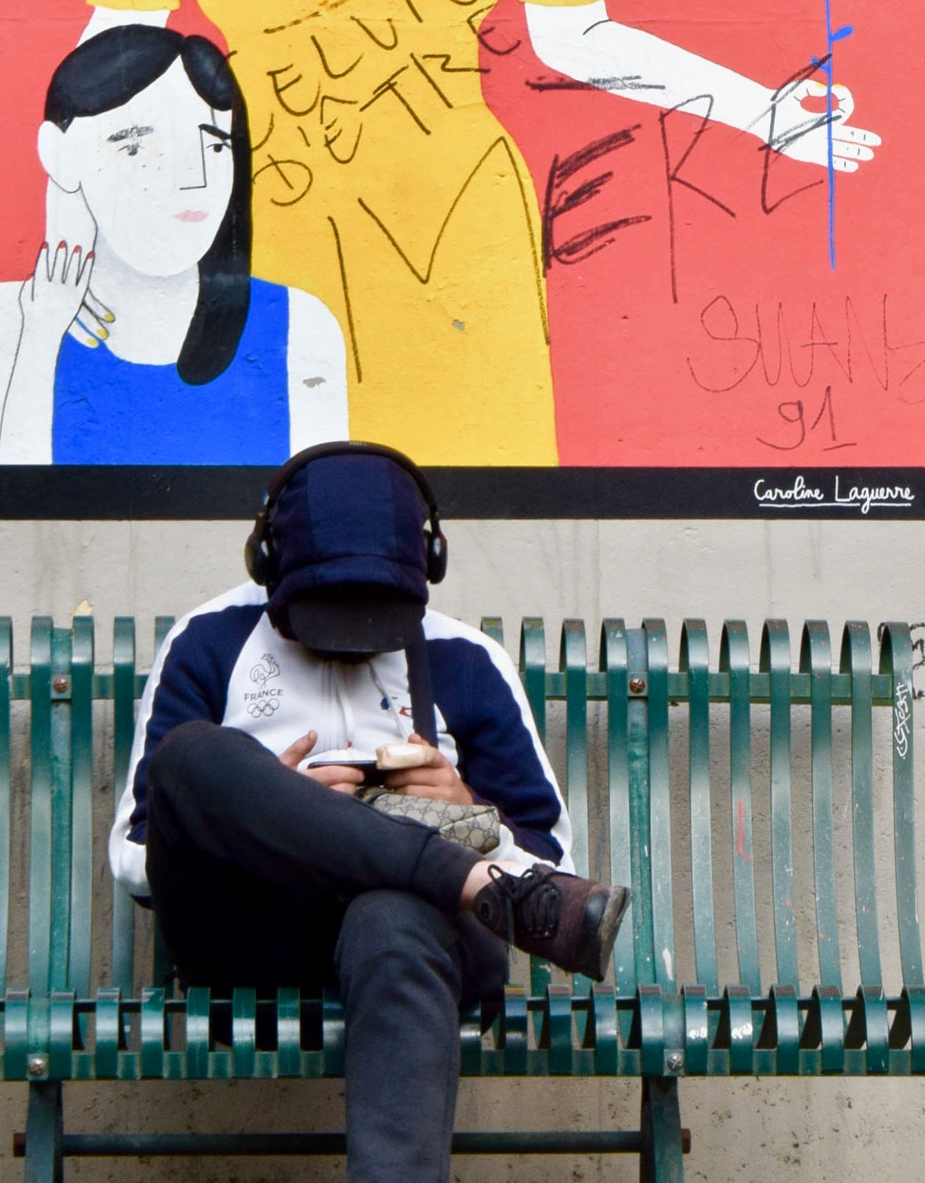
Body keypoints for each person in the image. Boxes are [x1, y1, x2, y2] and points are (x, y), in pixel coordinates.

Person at [72, 0, 883, 466]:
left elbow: (576, 35)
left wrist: (764, 113)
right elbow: (111, 50)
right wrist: (78, 245)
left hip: (458, 221)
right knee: (273, 478)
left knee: (473, 475)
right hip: (262, 215)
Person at [107, 440, 630, 1182]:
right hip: (251, 936)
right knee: (195, 754)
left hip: (414, 941)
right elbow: (136, 857)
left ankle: (459, 883)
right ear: (267, 564)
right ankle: (469, 883)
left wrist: (471, 811)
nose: (350, 637)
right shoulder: (209, 640)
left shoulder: (466, 659)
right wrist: (275, 815)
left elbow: (553, 870)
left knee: (391, 917)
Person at [0, 26, 349, 464]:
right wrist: (40, 339)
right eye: (135, 146)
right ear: (59, 155)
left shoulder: (297, 326)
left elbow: (321, 519)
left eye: (214, 145)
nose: (193, 180)